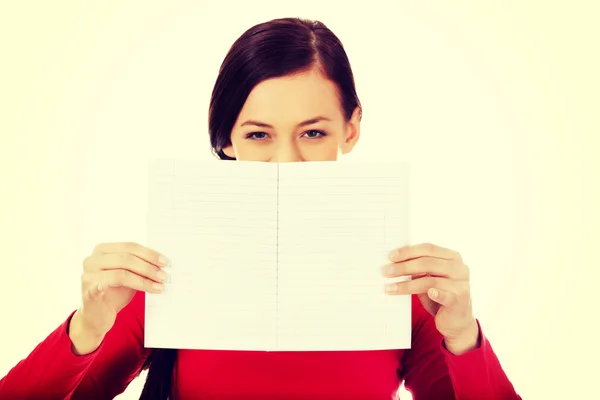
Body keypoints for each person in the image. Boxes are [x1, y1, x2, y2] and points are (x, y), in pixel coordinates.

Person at [0, 17, 521, 400]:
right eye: (259, 134)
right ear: (227, 140)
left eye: (313, 133)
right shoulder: (171, 278)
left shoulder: (397, 285)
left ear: (352, 129)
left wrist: (463, 337)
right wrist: (87, 327)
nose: (286, 162)